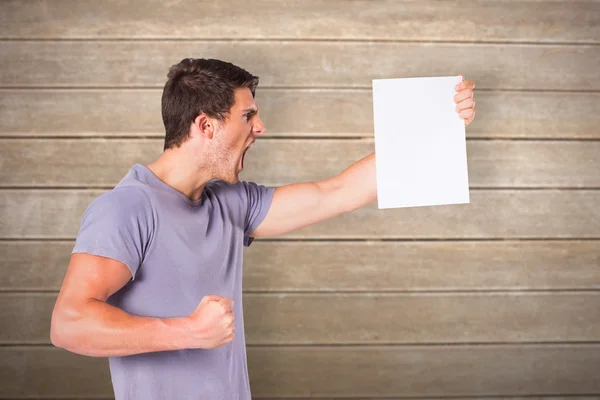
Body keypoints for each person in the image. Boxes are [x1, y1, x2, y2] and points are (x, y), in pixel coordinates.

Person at [50, 58, 476, 399]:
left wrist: (440, 122)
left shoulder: (230, 203)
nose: (260, 127)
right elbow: (69, 323)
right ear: (206, 126)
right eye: (248, 115)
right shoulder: (126, 209)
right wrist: (188, 331)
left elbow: (337, 192)